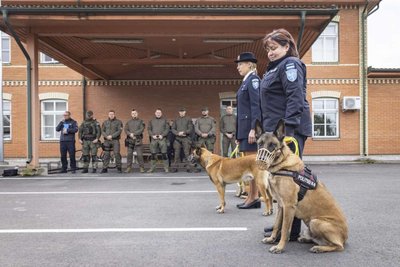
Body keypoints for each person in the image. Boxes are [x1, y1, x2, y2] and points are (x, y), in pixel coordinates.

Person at [260, 29, 312, 241]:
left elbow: (295, 97)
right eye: (268, 49)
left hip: (288, 133)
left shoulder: (290, 65)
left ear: (286, 46)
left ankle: (291, 230)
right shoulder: (274, 68)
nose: (270, 53)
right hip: (276, 132)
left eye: (273, 48)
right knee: (281, 178)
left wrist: (289, 130)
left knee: (291, 178)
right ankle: (284, 225)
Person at [234, 52, 262, 210]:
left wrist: (253, 129)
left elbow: (256, 106)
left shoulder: (253, 81)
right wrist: (240, 133)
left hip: (250, 131)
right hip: (244, 131)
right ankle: (251, 197)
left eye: (240, 64)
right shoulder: (246, 82)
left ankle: (255, 197)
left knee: (253, 167)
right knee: (249, 168)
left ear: (250, 64)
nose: (238, 67)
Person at [171, 107, 193, 172]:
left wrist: (184, 132)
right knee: (176, 154)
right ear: (179, 112)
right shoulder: (176, 119)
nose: (182, 113)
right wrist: (178, 133)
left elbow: (190, 128)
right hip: (177, 138)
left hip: (185, 138)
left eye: (183, 111)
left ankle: (188, 167)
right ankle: (175, 168)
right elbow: (173, 128)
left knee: (187, 154)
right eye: (180, 111)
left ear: (185, 112)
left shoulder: (188, 119)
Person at [147, 108, 170, 173]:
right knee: (153, 154)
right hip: (154, 139)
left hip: (162, 139)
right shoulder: (151, 120)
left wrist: (162, 135)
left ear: (161, 113)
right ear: (155, 113)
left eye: (159, 113)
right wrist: (152, 135)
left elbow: (167, 129)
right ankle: (152, 168)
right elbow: (149, 129)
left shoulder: (165, 120)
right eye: (157, 112)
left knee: (164, 154)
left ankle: (166, 168)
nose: (158, 114)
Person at [124, 109, 145, 173]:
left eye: (135, 113)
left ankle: (142, 168)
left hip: (138, 139)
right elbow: (126, 129)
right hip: (130, 140)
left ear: (137, 113)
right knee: (129, 154)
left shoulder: (141, 121)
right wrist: (130, 134)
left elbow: (141, 129)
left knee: (139, 155)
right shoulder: (128, 122)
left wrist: (134, 134)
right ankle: (128, 168)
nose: (134, 114)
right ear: (131, 114)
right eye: (133, 113)